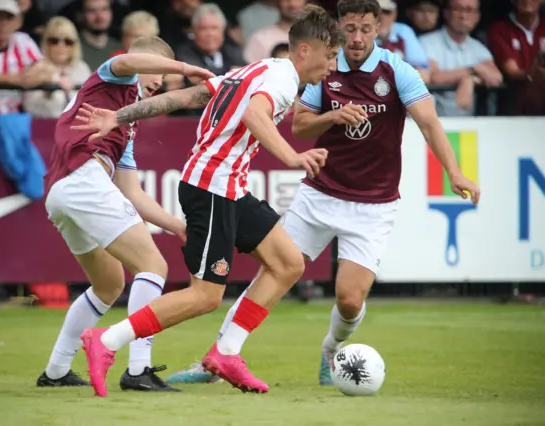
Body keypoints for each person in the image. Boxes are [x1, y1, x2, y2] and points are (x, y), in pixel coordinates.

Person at [165, 0, 481, 387]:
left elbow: (430, 124)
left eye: (366, 28)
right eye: (350, 28)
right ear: (339, 27)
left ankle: (332, 347)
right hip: (319, 195)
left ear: (378, 28)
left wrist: (455, 172)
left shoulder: (398, 72)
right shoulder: (324, 70)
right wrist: (333, 115)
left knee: (349, 298)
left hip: (374, 204)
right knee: (275, 269)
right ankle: (218, 358)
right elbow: (299, 128)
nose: (357, 37)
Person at [70, 4, 344, 396]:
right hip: (211, 187)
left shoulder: (251, 70)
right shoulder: (282, 77)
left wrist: (121, 115)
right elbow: (254, 114)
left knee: (287, 263)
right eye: (330, 55)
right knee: (205, 295)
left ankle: (226, 353)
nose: (332, 66)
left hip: (228, 187)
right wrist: (292, 157)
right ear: (304, 51)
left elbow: (185, 97)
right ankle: (106, 341)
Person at [36, 35, 215, 392]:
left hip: (62, 192)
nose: (159, 84)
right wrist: (183, 67)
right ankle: (138, 369)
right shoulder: (114, 76)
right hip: (82, 179)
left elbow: (131, 191)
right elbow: (128, 62)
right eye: (158, 75)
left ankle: (55, 371)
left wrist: (175, 225)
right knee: (153, 267)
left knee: (108, 285)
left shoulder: (126, 125)